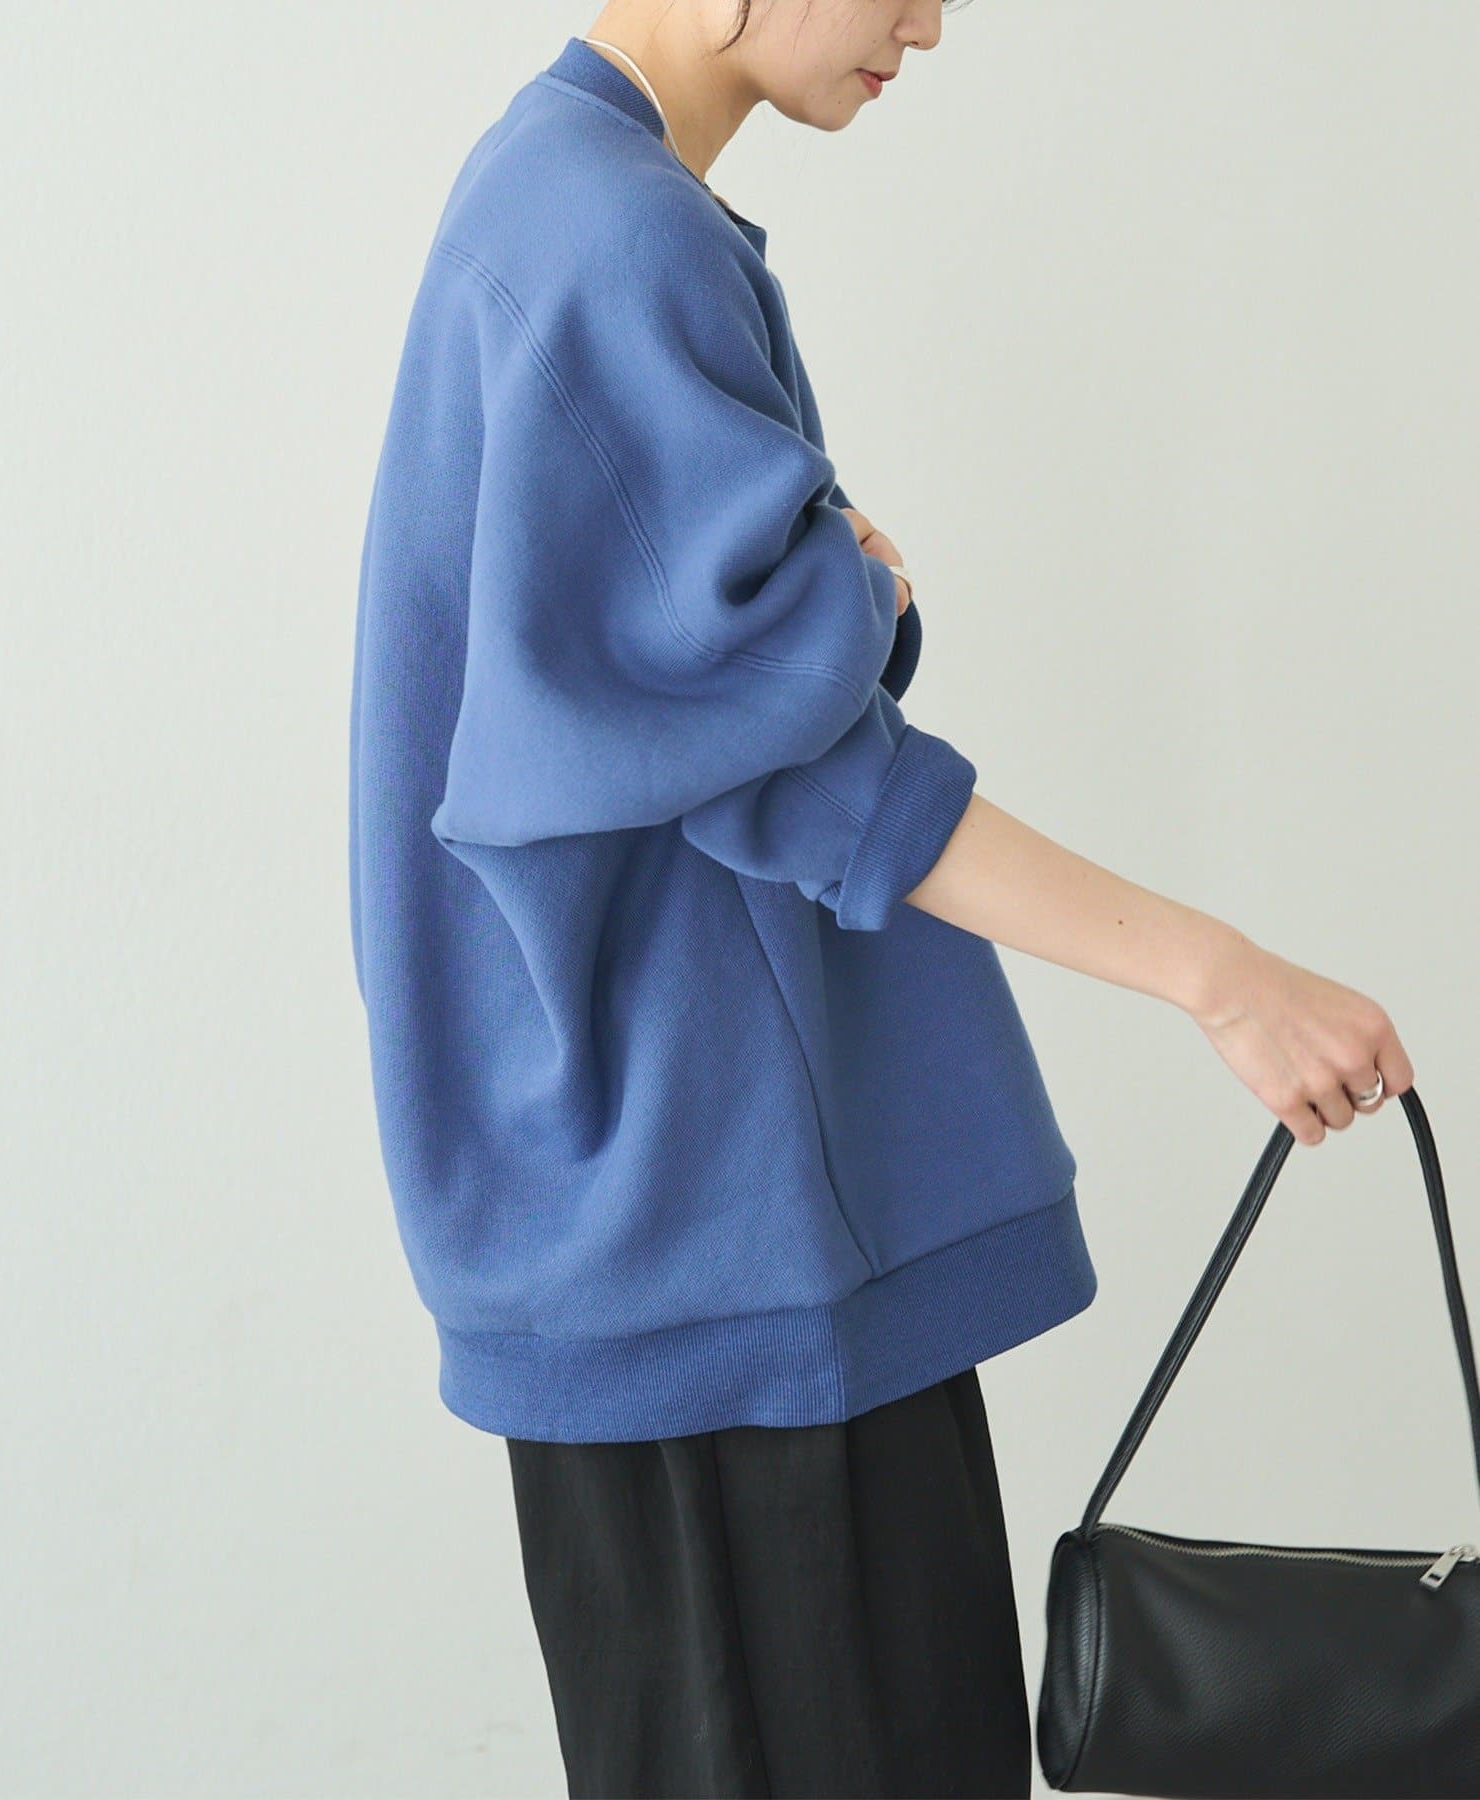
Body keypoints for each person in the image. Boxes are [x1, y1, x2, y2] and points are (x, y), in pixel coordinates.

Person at [347, 3, 1415, 1793]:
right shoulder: (608, 235)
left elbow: (687, 690)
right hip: (716, 1248)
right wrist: (1221, 977)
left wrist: (831, 606)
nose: (930, 18)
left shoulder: (564, 195)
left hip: (687, 1234)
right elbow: (793, 768)